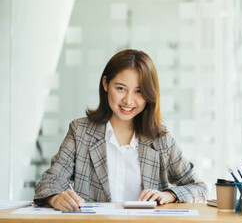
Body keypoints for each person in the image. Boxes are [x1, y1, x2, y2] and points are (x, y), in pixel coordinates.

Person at [34, 49, 208, 212]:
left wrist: (170, 195)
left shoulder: (161, 139)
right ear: (105, 84)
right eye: (121, 88)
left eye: (139, 91)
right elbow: (49, 183)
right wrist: (56, 198)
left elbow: (199, 188)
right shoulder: (80, 131)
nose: (129, 100)